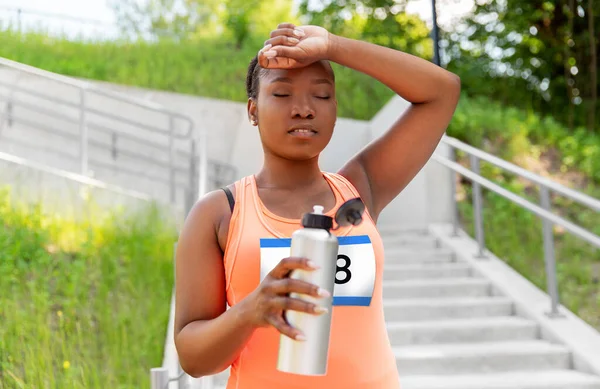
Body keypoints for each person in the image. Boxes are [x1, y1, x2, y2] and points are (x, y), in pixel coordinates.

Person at [174, 22, 461, 389]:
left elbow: (442, 91)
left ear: (335, 108)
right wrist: (251, 311)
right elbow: (193, 360)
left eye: (321, 96)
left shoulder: (360, 188)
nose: (304, 109)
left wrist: (332, 45)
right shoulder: (219, 213)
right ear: (253, 110)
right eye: (281, 94)